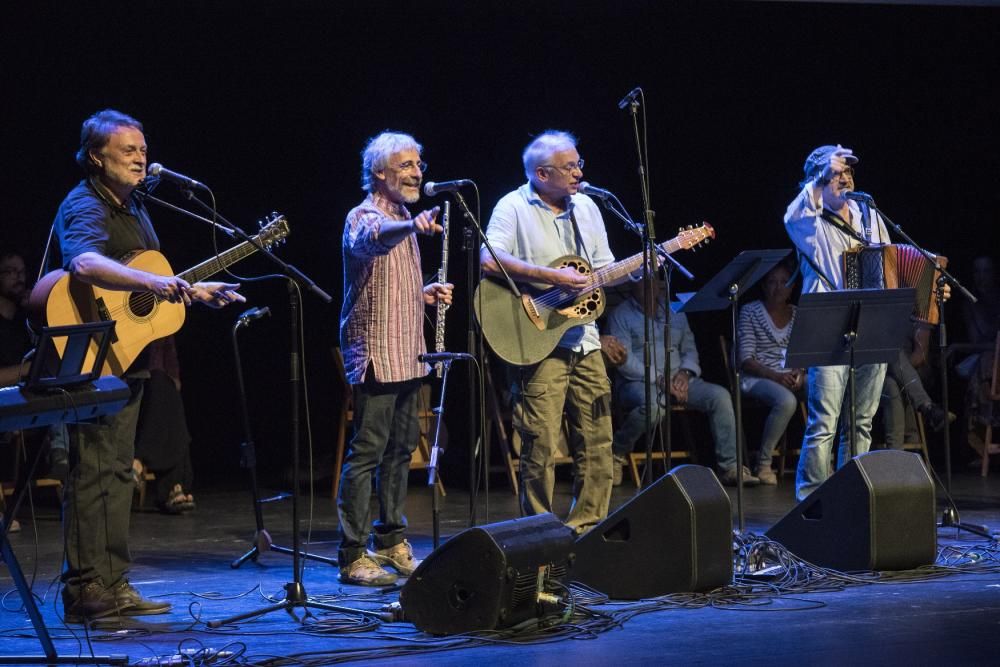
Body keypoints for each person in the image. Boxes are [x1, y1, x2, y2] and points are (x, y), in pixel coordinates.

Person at [49, 109, 244, 623]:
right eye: (128, 150)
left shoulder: (134, 207)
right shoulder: (85, 202)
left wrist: (193, 291)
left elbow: (148, 276)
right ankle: (85, 588)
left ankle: (112, 582)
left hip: (127, 354)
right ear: (96, 156)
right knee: (92, 472)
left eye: (143, 148)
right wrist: (152, 285)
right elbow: (84, 263)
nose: (141, 157)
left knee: (116, 471)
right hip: (87, 352)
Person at [480, 130, 628, 534]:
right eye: (569, 167)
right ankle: (539, 536)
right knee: (539, 445)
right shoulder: (513, 206)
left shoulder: (588, 208)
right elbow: (488, 260)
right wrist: (550, 276)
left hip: (586, 340)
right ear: (543, 174)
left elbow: (603, 269)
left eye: (580, 163)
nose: (579, 172)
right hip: (537, 339)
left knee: (598, 441)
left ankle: (587, 529)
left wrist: (638, 267)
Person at [337, 131, 453, 586]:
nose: (416, 172)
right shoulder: (365, 216)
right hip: (377, 356)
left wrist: (422, 294)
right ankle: (352, 554)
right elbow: (372, 241)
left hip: (409, 352)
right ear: (379, 173)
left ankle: (390, 542)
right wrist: (413, 226)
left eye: (418, 164)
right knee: (367, 452)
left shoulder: (405, 216)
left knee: (403, 450)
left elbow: (386, 283)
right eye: (405, 165)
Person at [784, 144, 891, 501]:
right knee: (824, 423)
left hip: (870, 321)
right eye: (835, 174)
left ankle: (852, 496)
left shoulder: (867, 214)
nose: (844, 178)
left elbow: (891, 261)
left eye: (847, 172)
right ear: (817, 181)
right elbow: (791, 215)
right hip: (829, 322)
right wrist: (820, 174)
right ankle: (811, 502)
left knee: (860, 421)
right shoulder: (808, 222)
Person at [608, 276, 758, 487]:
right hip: (639, 382)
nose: (650, 286)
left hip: (678, 381)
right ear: (632, 284)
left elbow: (689, 348)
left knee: (719, 396)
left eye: (654, 281)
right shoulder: (620, 314)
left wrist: (685, 374)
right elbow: (624, 361)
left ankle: (730, 468)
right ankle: (617, 452)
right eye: (643, 281)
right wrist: (660, 380)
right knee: (654, 407)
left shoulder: (675, 311)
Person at [737, 262, 805, 485]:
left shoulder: (797, 314)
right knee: (786, 401)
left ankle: (819, 461)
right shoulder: (750, 311)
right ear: (764, 287)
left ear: (792, 287)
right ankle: (764, 464)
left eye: (784, 282)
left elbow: (805, 352)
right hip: (758, 378)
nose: (778, 287)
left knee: (825, 390)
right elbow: (746, 359)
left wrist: (800, 372)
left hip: (791, 376)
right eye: (772, 282)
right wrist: (776, 376)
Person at [133, 336, 196, 513]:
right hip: (131, 380)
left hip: (157, 389)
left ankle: (138, 460)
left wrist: (174, 376)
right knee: (162, 386)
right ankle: (173, 487)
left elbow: (169, 350)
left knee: (167, 391)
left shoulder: (163, 315)